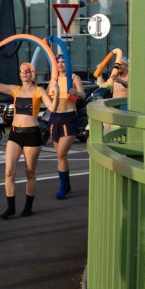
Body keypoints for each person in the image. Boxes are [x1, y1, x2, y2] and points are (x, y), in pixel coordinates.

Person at [0, 61, 55, 219]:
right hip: (15, 134)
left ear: (32, 73)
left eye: (27, 71)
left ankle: (28, 207)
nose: (23, 73)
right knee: (8, 172)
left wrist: (57, 92)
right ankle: (10, 207)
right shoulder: (15, 90)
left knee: (29, 172)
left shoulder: (39, 91)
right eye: (21, 70)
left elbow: (53, 108)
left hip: (32, 134)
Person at [46, 54, 85, 199]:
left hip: (69, 117)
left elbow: (82, 94)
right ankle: (66, 184)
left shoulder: (74, 78)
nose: (61, 64)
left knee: (61, 154)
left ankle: (62, 188)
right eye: (58, 62)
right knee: (60, 156)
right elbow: (48, 98)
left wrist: (76, 93)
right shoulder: (53, 79)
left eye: (63, 62)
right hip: (55, 117)